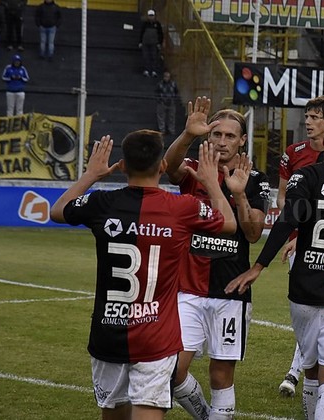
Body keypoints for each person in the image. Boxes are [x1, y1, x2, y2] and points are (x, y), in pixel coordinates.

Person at [49, 130, 238, 420]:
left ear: (123, 166)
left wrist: (90, 175)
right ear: (162, 166)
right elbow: (228, 224)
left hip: (108, 332)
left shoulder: (102, 203)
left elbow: (57, 211)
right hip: (156, 336)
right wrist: (211, 182)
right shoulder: (181, 208)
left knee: (114, 413)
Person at [225, 112, 324, 420]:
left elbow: (287, 222)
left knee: (311, 371)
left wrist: (258, 267)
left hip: (304, 290)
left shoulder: (308, 176)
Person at [164, 97, 270, 419]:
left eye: (230, 136)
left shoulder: (256, 179)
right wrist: (187, 134)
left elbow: (253, 233)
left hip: (230, 292)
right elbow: (168, 167)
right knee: (172, 372)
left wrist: (238, 193)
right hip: (187, 289)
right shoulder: (193, 168)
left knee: (221, 375)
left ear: (242, 140)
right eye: (216, 134)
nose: (222, 141)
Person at [276, 95, 324, 398]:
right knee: (303, 310)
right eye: (307, 117)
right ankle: (303, 367)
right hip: (297, 241)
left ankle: (295, 371)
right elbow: (282, 197)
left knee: (320, 310)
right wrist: (294, 229)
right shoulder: (293, 153)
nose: (308, 122)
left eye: (315, 117)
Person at [139, 9, 163, 77]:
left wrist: (159, 43)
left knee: (154, 57)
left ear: (154, 16)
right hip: (145, 43)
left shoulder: (157, 24)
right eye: (150, 15)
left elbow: (160, 34)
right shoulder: (145, 24)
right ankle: (146, 70)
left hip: (154, 43)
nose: (151, 17)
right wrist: (140, 42)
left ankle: (154, 71)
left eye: (152, 15)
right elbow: (141, 33)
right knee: (145, 57)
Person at [156, 70, 179, 135]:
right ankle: (162, 130)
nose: (166, 78)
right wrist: (159, 100)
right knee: (161, 117)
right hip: (162, 102)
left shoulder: (173, 84)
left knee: (171, 117)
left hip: (171, 102)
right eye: (165, 76)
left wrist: (174, 100)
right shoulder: (160, 84)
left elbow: (176, 92)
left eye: (168, 76)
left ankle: (171, 130)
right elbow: (156, 93)